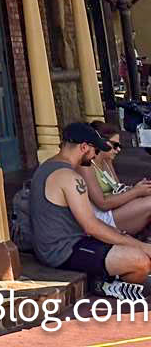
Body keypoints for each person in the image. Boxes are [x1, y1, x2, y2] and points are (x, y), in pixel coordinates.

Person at [31, 122, 151, 297]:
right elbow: (92, 227)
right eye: (95, 150)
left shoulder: (47, 166)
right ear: (84, 147)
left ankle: (106, 274)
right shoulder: (69, 177)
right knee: (140, 262)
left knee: (129, 244)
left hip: (66, 243)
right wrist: (142, 247)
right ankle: (102, 284)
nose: (95, 155)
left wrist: (123, 237)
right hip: (62, 250)